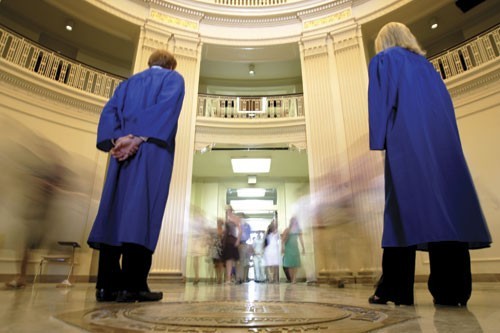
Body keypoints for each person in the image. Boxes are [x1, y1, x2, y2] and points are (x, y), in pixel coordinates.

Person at [367, 22, 491, 306]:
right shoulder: (429, 68)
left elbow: (381, 103)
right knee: (447, 212)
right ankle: (453, 291)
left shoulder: (385, 60)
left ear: (384, 42)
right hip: (443, 145)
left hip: (407, 143)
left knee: (401, 211)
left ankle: (395, 289)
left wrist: (380, 140)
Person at [87, 49, 185, 302]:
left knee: (114, 212)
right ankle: (133, 285)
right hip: (151, 150)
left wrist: (119, 139)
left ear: (150, 63)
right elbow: (166, 108)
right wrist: (139, 138)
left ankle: (106, 286)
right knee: (142, 213)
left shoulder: (127, 84)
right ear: (171, 66)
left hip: (121, 151)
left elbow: (109, 112)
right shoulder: (173, 79)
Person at [282, 217, 305, 284]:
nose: (294, 223)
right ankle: (292, 278)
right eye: (293, 221)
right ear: (291, 222)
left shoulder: (299, 230)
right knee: (290, 264)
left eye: (295, 221)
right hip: (288, 248)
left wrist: (303, 248)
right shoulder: (287, 230)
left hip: (295, 247)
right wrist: (282, 248)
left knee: (295, 263)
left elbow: (301, 239)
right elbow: (283, 240)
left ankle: (294, 278)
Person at [221, 205, 241, 284]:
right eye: (227, 210)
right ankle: (229, 278)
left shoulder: (235, 218)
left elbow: (240, 231)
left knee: (234, 260)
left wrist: (238, 240)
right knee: (228, 260)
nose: (228, 211)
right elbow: (224, 231)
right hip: (227, 240)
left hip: (233, 240)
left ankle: (235, 277)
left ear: (231, 210)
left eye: (229, 210)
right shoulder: (226, 219)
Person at [263, 219, 280, 283]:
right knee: (270, 265)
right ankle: (271, 278)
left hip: (275, 250)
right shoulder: (267, 232)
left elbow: (279, 239)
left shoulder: (277, 232)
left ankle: (275, 278)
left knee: (275, 265)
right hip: (268, 250)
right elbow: (264, 241)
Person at [236, 218, 252, 284]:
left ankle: (240, 278)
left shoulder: (246, 227)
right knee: (239, 262)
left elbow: (246, 236)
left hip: (242, 244)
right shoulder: (238, 226)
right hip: (238, 244)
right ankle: (239, 278)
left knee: (241, 262)